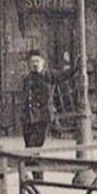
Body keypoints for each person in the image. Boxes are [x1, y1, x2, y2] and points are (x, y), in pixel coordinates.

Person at [19, 50, 75, 178]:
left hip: (42, 118)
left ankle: (26, 171)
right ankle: (38, 178)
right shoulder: (27, 78)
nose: (34, 64)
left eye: (37, 61)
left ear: (43, 63)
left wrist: (76, 67)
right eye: (32, 61)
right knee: (31, 148)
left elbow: (64, 75)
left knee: (33, 148)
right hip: (28, 119)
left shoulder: (49, 75)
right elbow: (25, 98)